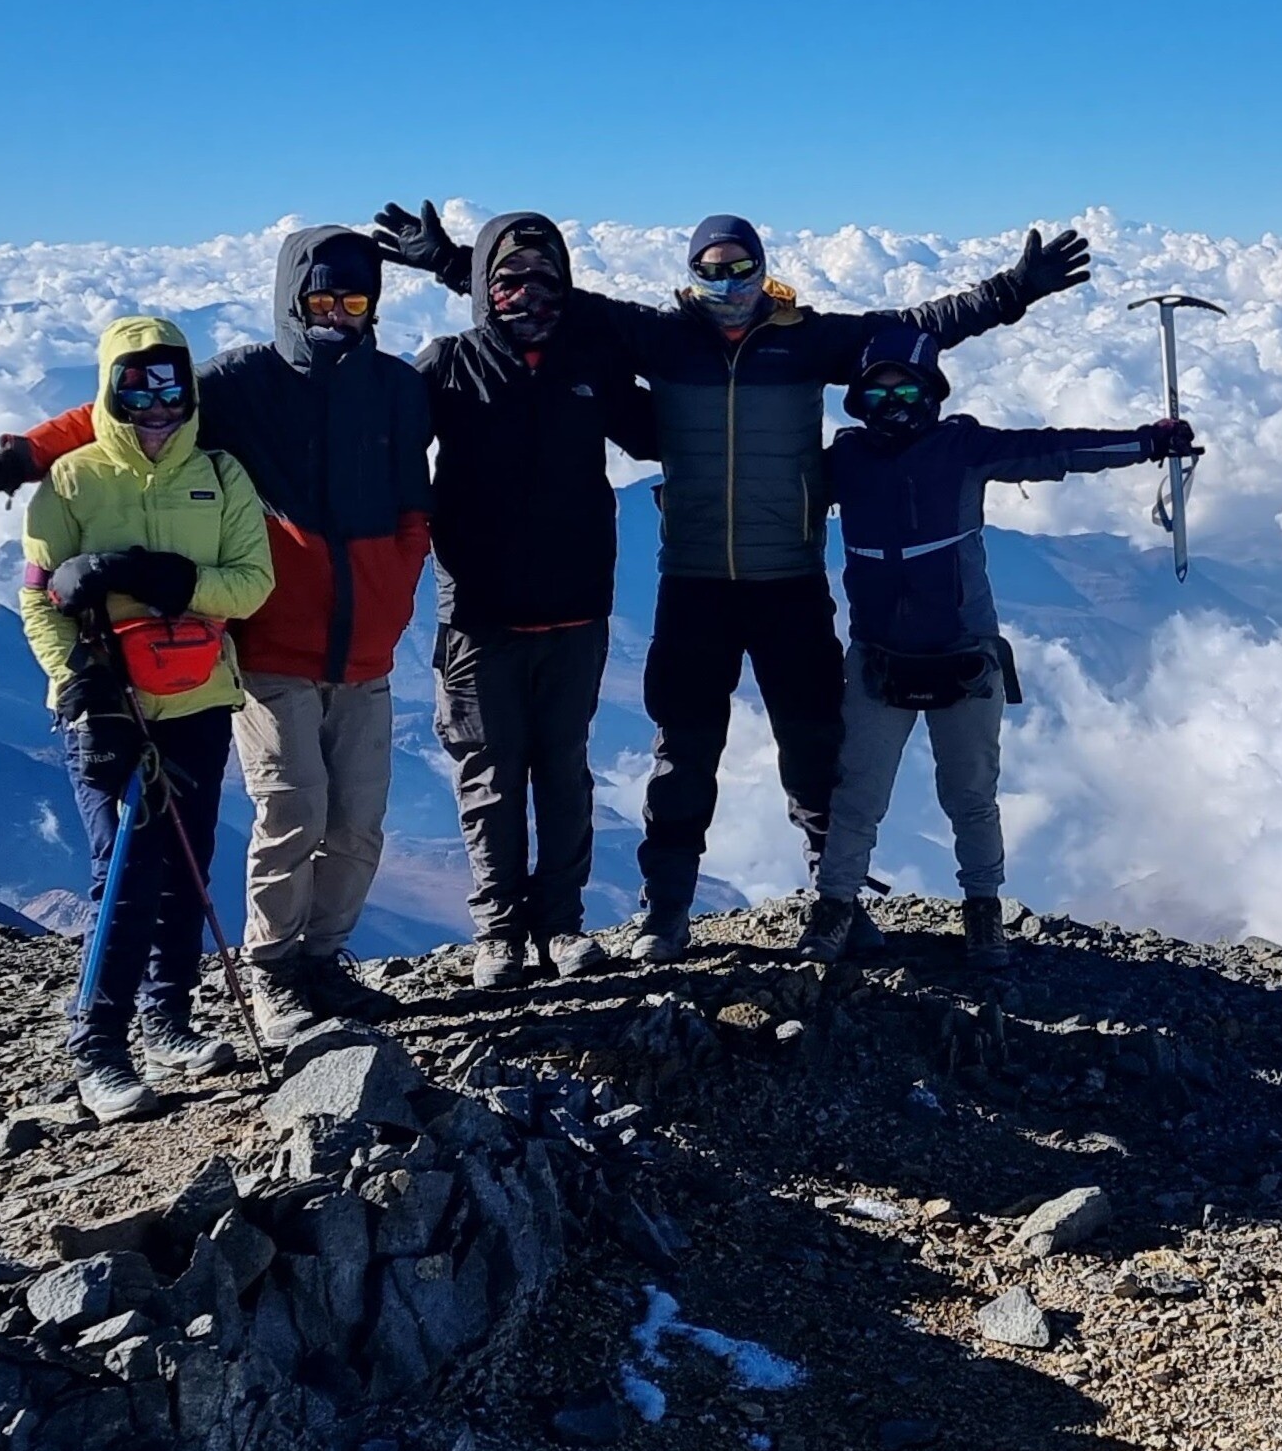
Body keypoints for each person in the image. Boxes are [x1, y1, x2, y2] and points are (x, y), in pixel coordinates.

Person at [378, 208, 1092, 958]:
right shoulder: (662, 338)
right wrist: (451, 260)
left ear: (762, 267)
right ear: (692, 275)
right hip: (695, 582)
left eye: (740, 267)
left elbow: (913, 328)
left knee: (814, 744)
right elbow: (539, 297)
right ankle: (666, 911)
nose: (728, 283)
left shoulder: (807, 340)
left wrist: (1014, 290)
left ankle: (836, 900)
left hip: (789, 578)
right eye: (711, 270)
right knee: (683, 753)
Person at [0, 227, 433, 1053]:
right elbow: (129, 407)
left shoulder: (396, 387)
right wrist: (18, 461)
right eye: (320, 299)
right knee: (294, 811)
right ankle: (274, 975)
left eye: (354, 300)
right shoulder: (243, 381)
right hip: (271, 645)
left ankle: (323, 961)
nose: (336, 315)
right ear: (292, 301)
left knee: (358, 825)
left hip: (369, 650)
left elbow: (417, 495)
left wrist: (404, 569)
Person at [805, 327, 1192, 969]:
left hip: (962, 657)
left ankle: (983, 912)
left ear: (931, 393)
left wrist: (1147, 442)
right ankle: (834, 908)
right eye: (877, 394)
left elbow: (1053, 451)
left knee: (970, 796)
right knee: (858, 796)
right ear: (857, 402)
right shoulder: (845, 460)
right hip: (880, 660)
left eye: (906, 391)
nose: (893, 404)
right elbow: (770, 487)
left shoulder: (962, 448)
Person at [18, 317, 277, 1121]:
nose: (157, 405)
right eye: (136, 387)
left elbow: (252, 584)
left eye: (170, 386)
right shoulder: (70, 481)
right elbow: (38, 596)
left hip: (196, 700)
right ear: (110, 390)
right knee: (126, 870)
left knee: (188, 861)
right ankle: (98, 1050)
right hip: (107, 706)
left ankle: (169, 1021)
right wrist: (75, 679)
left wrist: (173, 581)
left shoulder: (221, 475)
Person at [407, 209, 661, 987]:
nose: (528, 294)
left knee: (563, 773)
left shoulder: (592, 362)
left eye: (546, 279)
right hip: (478, 616)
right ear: (483, 288)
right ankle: (499, 935)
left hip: (576, 610)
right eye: (509, 280)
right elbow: (382, 450)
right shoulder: (447, 364)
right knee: (489, 778)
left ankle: (562, 927)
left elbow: (655, 435)